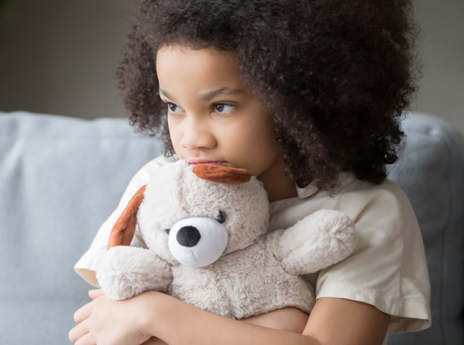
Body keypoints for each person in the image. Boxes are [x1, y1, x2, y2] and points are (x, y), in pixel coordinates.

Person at [69, 0, 431, 344]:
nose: (191, 140)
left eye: (221, 106)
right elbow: (109, 327)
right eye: (174, 106)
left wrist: (155, 314)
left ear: (297, 101)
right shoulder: (159, 186)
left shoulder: (364, 210)